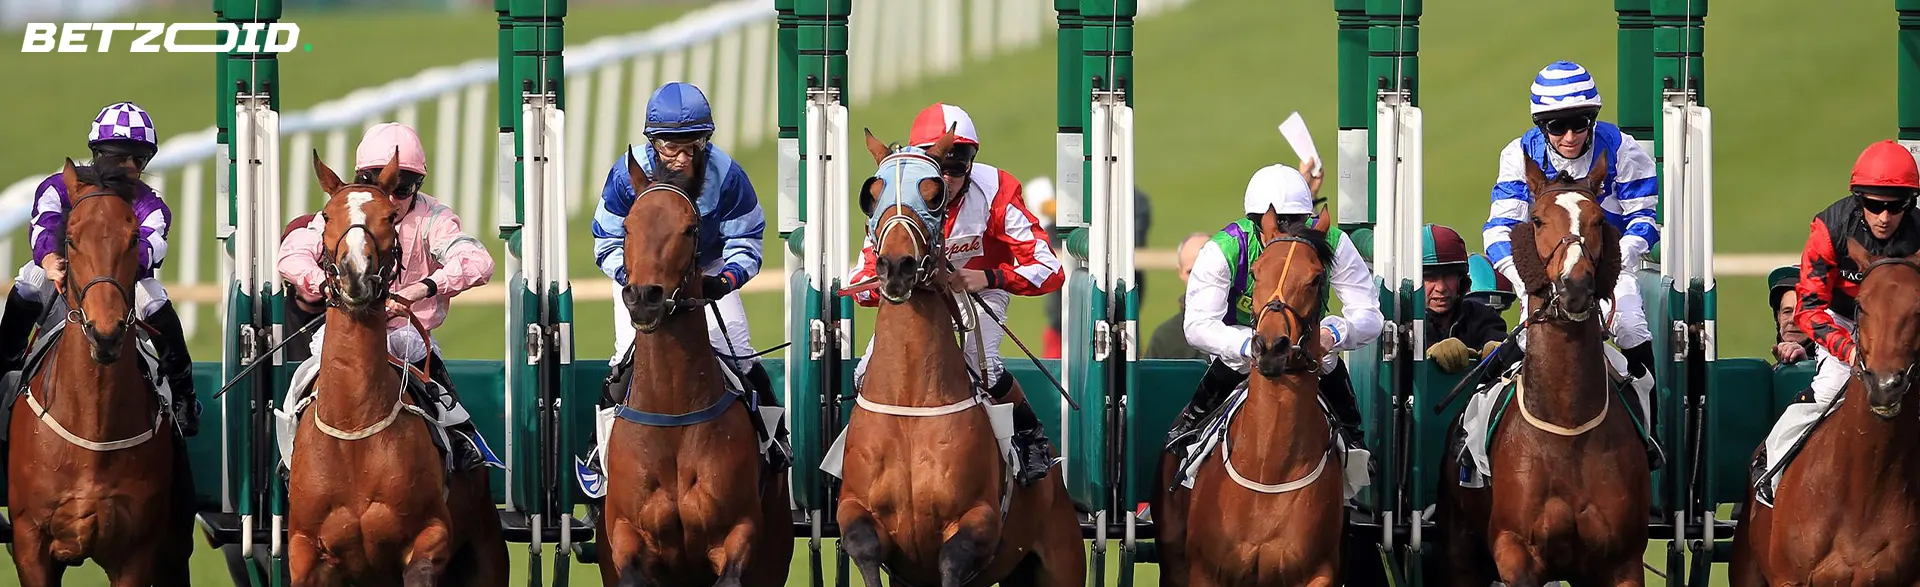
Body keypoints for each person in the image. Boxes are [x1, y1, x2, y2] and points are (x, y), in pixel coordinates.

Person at [849, 102, 1066, 486]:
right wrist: (875, 284)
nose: (948, 178)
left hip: (977, 289)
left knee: (982, 365)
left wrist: (990, 277)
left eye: (958, 165)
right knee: (865, 371)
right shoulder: (893, 194)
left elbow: (1050, 270)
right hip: (917, 294)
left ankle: (1030, 438)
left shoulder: (997, 190)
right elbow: (862, 277)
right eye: (939, 167)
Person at [589, 82, 784, 463]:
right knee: (624, 359)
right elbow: (605, 239)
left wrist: (724, 281)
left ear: (705, 141)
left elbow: (747, 238)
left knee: (741, 356)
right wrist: (634, 278)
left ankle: (772, 440)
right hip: (642, 276)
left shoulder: (726, 175)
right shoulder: (625, 175)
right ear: (652, 142)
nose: (679, 157)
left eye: (690, 144)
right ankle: (600, 452)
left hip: (703, 270)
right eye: (667, 145)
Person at [281, 122, 496, 467]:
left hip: (406, 333)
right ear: (358, 177)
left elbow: (477, 260)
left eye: (402, 186)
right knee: (306, 376)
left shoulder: (433, 218)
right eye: (372, 181)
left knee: (420, 360)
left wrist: (419, 290)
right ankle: (289, 454)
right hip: (344, 330)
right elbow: (292, 254)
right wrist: (326, 285)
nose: (389, 196)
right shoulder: (345, 210)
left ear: (418, 185)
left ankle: (461, 438)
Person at [1483, 60, 1662, 437]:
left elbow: (1645, 219)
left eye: (1580, 123)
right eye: (1557, 126)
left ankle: (1650, 436)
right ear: (1541, 126)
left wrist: (1608, 267)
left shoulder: (1622, 149)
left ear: (1592, 119)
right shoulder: (1518, 155)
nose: (1569, 136)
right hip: (1542, 276)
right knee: (1524, 340)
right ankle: (1478, 439)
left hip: (1608, 270)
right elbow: (1499, 230)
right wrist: (1525, 282)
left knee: (1630, 327)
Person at [1168, 157, 1382, 469]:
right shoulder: (1224, 248)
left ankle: (1352, 441)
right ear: (1257, 222)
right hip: (1244, 349)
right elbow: (1198, 324)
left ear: (1307, 218)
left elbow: (1369, 314)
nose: (1283, 230)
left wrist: (1334, 334)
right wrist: (1246, 346)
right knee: (1232, 358)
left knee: (1329, 354)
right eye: (1275, 222)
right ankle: (1189, 432)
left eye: (1293, 221)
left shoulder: (1333, 242)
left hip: (1306, 347)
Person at [0, 102, 199, 436]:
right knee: (31, 279)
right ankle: (7, 362)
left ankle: (183, 395)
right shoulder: (57, 187)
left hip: (119, 285)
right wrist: (50, 260)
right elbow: (43, 225)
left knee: (153, 297)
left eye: (138, 159)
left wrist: (105, 264)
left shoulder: (152, 207)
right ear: (98, 155)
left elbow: (152, 249)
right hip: (64, 277)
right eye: (119, 157)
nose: (129, 167)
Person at [1754, 139, 1920, 505]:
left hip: (1905, 328)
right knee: (1829, 386)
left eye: (1896, 207)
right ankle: (1771, 464)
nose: (1884, 217)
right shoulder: (1828, 229)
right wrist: (1850, 351)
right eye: (1875, 205)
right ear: (1860, 200)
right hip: (1845, 320)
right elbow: (1809, 308)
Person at [1421, 224, 1509, 374]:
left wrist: (1500, 351)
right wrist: (1428, 353)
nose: (1441, 288)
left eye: (1449, 276)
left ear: (1462, 281)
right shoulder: (1400, 322)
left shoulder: (1483, 316)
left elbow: (1499, 340)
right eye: (1430, 277)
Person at [1145, 232, 1212, 360]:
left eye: (1207, 270)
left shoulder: (1247, 328)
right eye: (1191, 272)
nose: (1199, 279)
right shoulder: (1164, 339)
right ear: (1180, 272)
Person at [1768, 265, 1813, 366]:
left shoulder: (1843, 371)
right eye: (1787, 311)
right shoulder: (1767, 376)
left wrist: (1806, 365)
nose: (1793, 319)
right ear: (1778, 317)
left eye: (1802, 312)